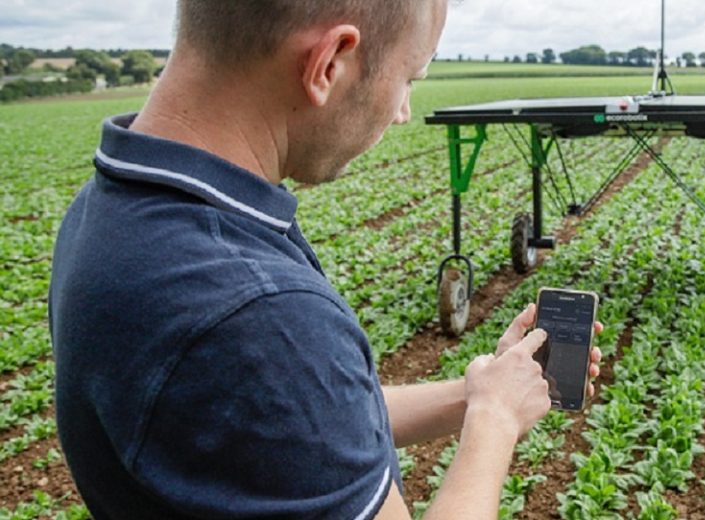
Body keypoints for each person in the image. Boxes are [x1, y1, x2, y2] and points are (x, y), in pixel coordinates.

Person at [48, 1, 602, 518]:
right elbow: (285, 382)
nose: (404, 112)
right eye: (409, 80)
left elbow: (298, 422)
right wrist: (495, 423)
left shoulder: (116, 207)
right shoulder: (254, 314)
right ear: (330, 63)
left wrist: (481, 391)